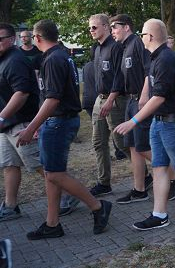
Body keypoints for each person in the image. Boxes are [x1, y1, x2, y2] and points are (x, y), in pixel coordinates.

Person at [16, 19, 111, 240]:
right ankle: (52, 223)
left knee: (55, 174)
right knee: (52, 173)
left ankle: (98, 207)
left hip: (59, 121)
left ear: (37, 38)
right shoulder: (60, 56)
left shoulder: (53, 59)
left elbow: (53, 99)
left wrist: (32, 127)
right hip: (57, 121)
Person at [114, 19, 175, 230]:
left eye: (142, 34)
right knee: (158, 167)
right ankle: (159, 215)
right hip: (160, 122)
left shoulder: (166, 58)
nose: (140, 38)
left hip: (173, 122)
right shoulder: (155, 58)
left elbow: (159, 96)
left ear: (149, 36)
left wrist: (133, 121)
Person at [110, 14, 175, 204]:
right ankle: (139, 188)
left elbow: (148, 71)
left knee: (143, 146)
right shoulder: (124, 46)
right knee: (133, 146)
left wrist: (144, 95)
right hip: (130, 99)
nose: (112, 31)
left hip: (141, 100)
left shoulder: (138, 44)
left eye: (115, 27)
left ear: (126, 27)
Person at [0, 23, 41, 222]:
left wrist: (2, 117)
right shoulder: (3, 59)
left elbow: (21, 93)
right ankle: (10, 207)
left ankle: (71, 196)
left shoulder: (15, 60)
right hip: (7, 125)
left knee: (40, 165)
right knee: (9, 164)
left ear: (12, 39)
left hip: (22, 122)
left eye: (0, 39)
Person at [88, 13, 128, 196]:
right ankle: (104, 183)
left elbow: (120, 76)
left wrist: (111, 99)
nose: (91, 30)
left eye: (94, 27)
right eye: (89, 28)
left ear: (105, 26)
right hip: (100, 99)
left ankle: (145, 176)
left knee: (121, 143)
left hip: (115, 100)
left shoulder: (116, 47)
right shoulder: (96, 49)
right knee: (98, 142)